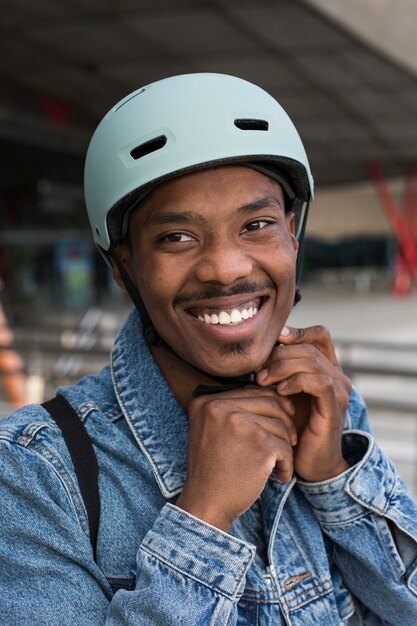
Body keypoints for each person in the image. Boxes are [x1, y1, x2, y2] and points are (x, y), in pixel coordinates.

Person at [0, 73, 416, 626]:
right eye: (177, 237)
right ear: (123, 268)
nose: (226, 267)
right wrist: (204, 517)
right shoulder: (34, 474)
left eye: (257, 225)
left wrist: (335, 476)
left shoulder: (327, 410)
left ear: (293, 236)